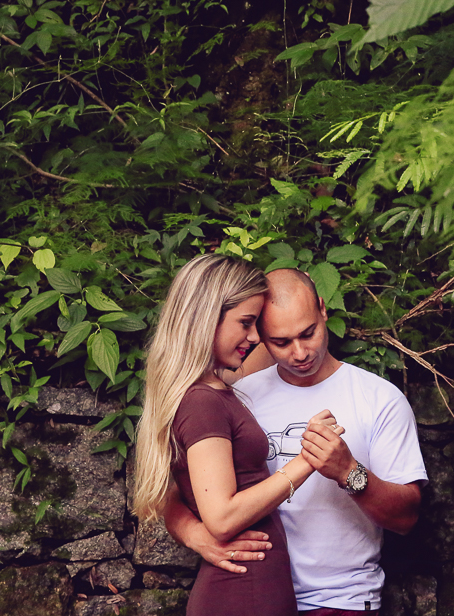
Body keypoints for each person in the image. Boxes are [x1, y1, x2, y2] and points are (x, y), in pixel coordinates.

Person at [166, 267, 428, 614]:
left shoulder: (378, 399)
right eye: (282, 342)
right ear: (259, 334)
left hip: (339, 600)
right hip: (256, 591)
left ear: (323, 309)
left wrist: (349, 473)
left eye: (309, 333)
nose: (301, 352)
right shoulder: (237, 397)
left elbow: (406, 517)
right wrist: (195, 534)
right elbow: (170, 487)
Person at [134, 255, 335, 616]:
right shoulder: (202, 401)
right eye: (246, 323)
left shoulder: (213, 385)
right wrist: (307, 461)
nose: (255, 337)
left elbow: (280, 345)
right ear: (206, 318)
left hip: (252, 590)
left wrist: (298, 289)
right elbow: (222, 516)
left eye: (256, 324)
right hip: (244, 594)